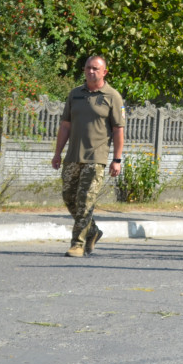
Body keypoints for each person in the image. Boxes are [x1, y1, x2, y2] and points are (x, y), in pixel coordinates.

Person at [51, 54, 125, 258]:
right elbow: (65, 125)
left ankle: (78, 244)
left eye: (95, 68)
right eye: (88, 68)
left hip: (96, 158)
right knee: (69, 197)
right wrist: (58, 153)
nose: (91, 72)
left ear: (104, 72)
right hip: (73, 156)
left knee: (85, 201)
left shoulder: (112, 96)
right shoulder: (75, 94)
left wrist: (116, 159)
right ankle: (92, 231)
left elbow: (119, 130)